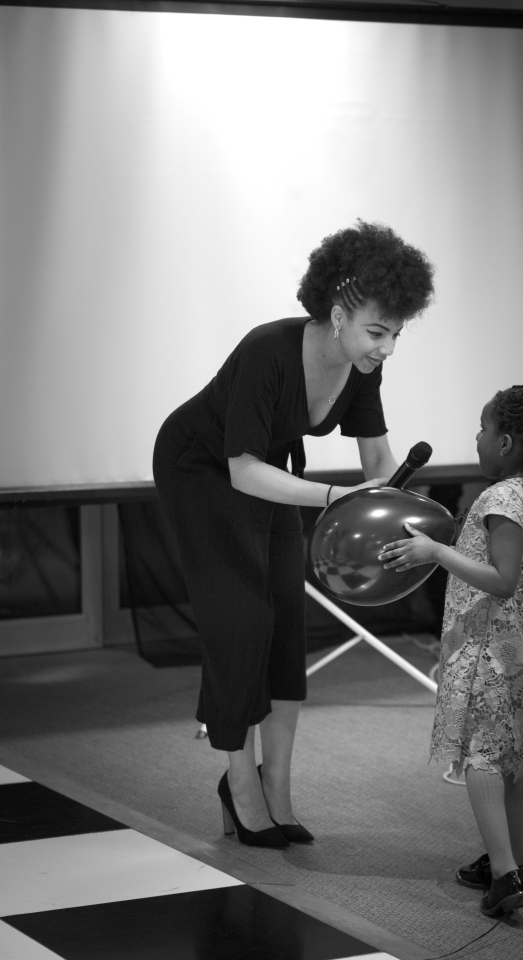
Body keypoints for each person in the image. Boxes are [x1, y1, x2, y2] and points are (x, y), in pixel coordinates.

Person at [153, 220, 435, 849]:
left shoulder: (362, 366)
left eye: (396, 334)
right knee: (241, 620)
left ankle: (277, 788)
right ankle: (238, 784)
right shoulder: (269, 350)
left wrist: (407, 512)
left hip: (270, 473)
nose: (387, 347)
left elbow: (378, 460)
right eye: (377, 332)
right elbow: (241, 470)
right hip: (201, 470)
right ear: (337, 316)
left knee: (284, 620)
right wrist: (336, 497)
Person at [379, 380, 523, 915]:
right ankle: (514, 861)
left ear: (504, 443)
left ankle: (504, 873)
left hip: (488, 648)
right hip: (522, 646)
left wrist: (435, 551)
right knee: (514, 755)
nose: (475, 438)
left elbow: (502, 580)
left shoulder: (501, 498)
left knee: (483, 754)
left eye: (482, 429)